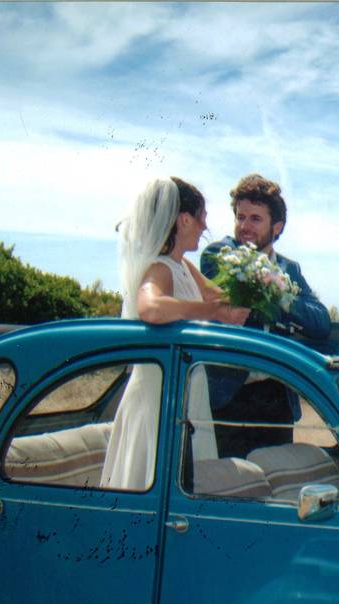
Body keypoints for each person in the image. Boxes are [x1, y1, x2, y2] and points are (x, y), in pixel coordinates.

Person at [101, 177, 249, 490]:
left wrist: (256, 286)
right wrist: (210, 313)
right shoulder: (159, 268)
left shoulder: (183, 266)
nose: (205, 227)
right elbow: (151, 307)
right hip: (159, 395)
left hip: (184, 390)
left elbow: (220, 301)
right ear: (184, 220)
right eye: (202, 217)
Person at [200, 174, 331, 457]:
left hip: (277, 397)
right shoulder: (218, 255)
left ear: (277, 226)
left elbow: (321, 322)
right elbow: (243, 305)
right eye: (240, 217)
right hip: (230, 396)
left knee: (278, 480)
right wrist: (269, 291)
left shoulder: (290, 269)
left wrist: (282, 294)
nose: (244, 226)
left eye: (255, 219)